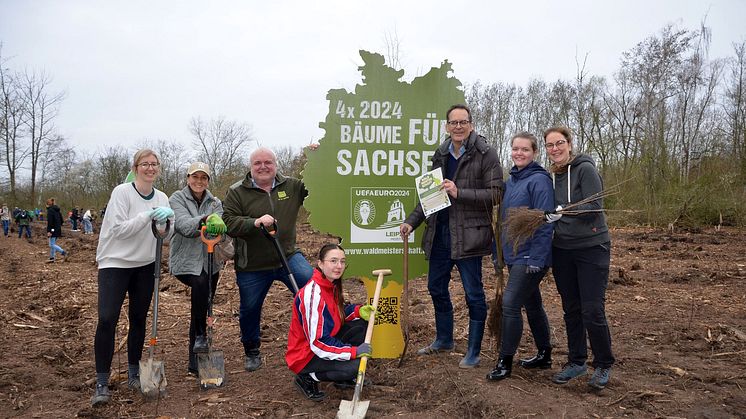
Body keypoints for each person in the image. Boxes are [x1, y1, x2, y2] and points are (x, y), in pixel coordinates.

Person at [400, 104, 503, 368]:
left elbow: (496, 194)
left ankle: (473, 350)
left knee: (473, 294)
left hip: (469, 236)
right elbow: (431, 196)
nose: (458, 127)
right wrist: (411, 222)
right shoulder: (441, 153)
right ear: (446, 126)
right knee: (436, 288)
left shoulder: (485, 153)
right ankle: (444, 339)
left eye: (463, 122)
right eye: (453, 123)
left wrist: (460, 192)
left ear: (471, 124)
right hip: (440, 234)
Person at [90, 149, 173, 407]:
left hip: (145, 264)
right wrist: (147, 215)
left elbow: (167, 237)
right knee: (107, 318)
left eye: (154, 164)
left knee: (138, 319)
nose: (150, 168)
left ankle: (134, 374)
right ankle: (102, 381)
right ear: (136, 168)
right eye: (145, 164)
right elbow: (118, 230)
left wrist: (165, 224)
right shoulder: (122, 192)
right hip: (115, 262)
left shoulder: (162, 197)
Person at [223, 147, 314, 372]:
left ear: (276, 164)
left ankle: (318, 342)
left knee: (313, 291)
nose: (263, 167)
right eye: (257, 163)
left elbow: (319, 186)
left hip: (288, 255)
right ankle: (251, 350)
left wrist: (317, 157)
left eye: (268, 162)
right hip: (252, 264)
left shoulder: (293, 186)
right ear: (250, 167)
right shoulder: (237, 191)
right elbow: (229, 222)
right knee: (250, 308)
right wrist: (254, 223)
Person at [542, 126, 614, 390]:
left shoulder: (584, 169)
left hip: (592, 247)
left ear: (570, 144)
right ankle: (577, 361)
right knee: (571, 308)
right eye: (549, 145)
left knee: (592, 309)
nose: (555, 149)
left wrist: (565, 211)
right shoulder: (552, 175)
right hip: (562, 249)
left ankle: (603, 364)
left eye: (559, 143)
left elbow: (597, 205)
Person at [486, 132, 554, 381]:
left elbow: (545, 222)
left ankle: (505, 361)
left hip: (530, 257)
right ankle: (545, 354)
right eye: (515, 149)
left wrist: (537, 258)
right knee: (533, 304)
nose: (519, 153)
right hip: (514, 255)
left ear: (534, 152)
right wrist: (498, 253)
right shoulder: (512, 181)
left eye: (524, 149)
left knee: (510, 305)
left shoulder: (539, 181)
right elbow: (502, 223)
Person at [286, 243, 374, 401]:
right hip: (306, 355)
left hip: (324, 341)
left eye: (342, 261)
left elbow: (333, 317)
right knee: (354, 366)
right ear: (320, 263)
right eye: (333, 261)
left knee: (361, 326)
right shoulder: (312, 295)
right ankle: (307, 377)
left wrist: (357, 311)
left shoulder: (331, 285)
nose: (339, 266)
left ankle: (342, 379)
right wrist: (353, 352)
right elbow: (318, 342)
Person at [169, 162, 227, 375]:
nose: (199, 181)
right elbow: (183, 225)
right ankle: (201, 335)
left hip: (210, 261)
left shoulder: (215, 202)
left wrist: (217, 225)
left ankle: (196, 360)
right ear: (187, 178)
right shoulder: (176, 198)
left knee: (201, 304)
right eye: (195, 177)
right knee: (200, 284)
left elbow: (218, 226)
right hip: (185, 261)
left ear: (208, 181)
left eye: (203, 178)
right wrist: (204, 219)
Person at [45, 198, 67, 263]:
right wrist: (57, 227)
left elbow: (50, 222)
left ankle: (63, 252)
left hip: (53, 229)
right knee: (53, 244)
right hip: (58, 229)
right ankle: (52, 258)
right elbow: (62, 221)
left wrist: (50, 231)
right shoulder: (58, 210)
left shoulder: (50, 210)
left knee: (51, 244)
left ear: (48, 204)